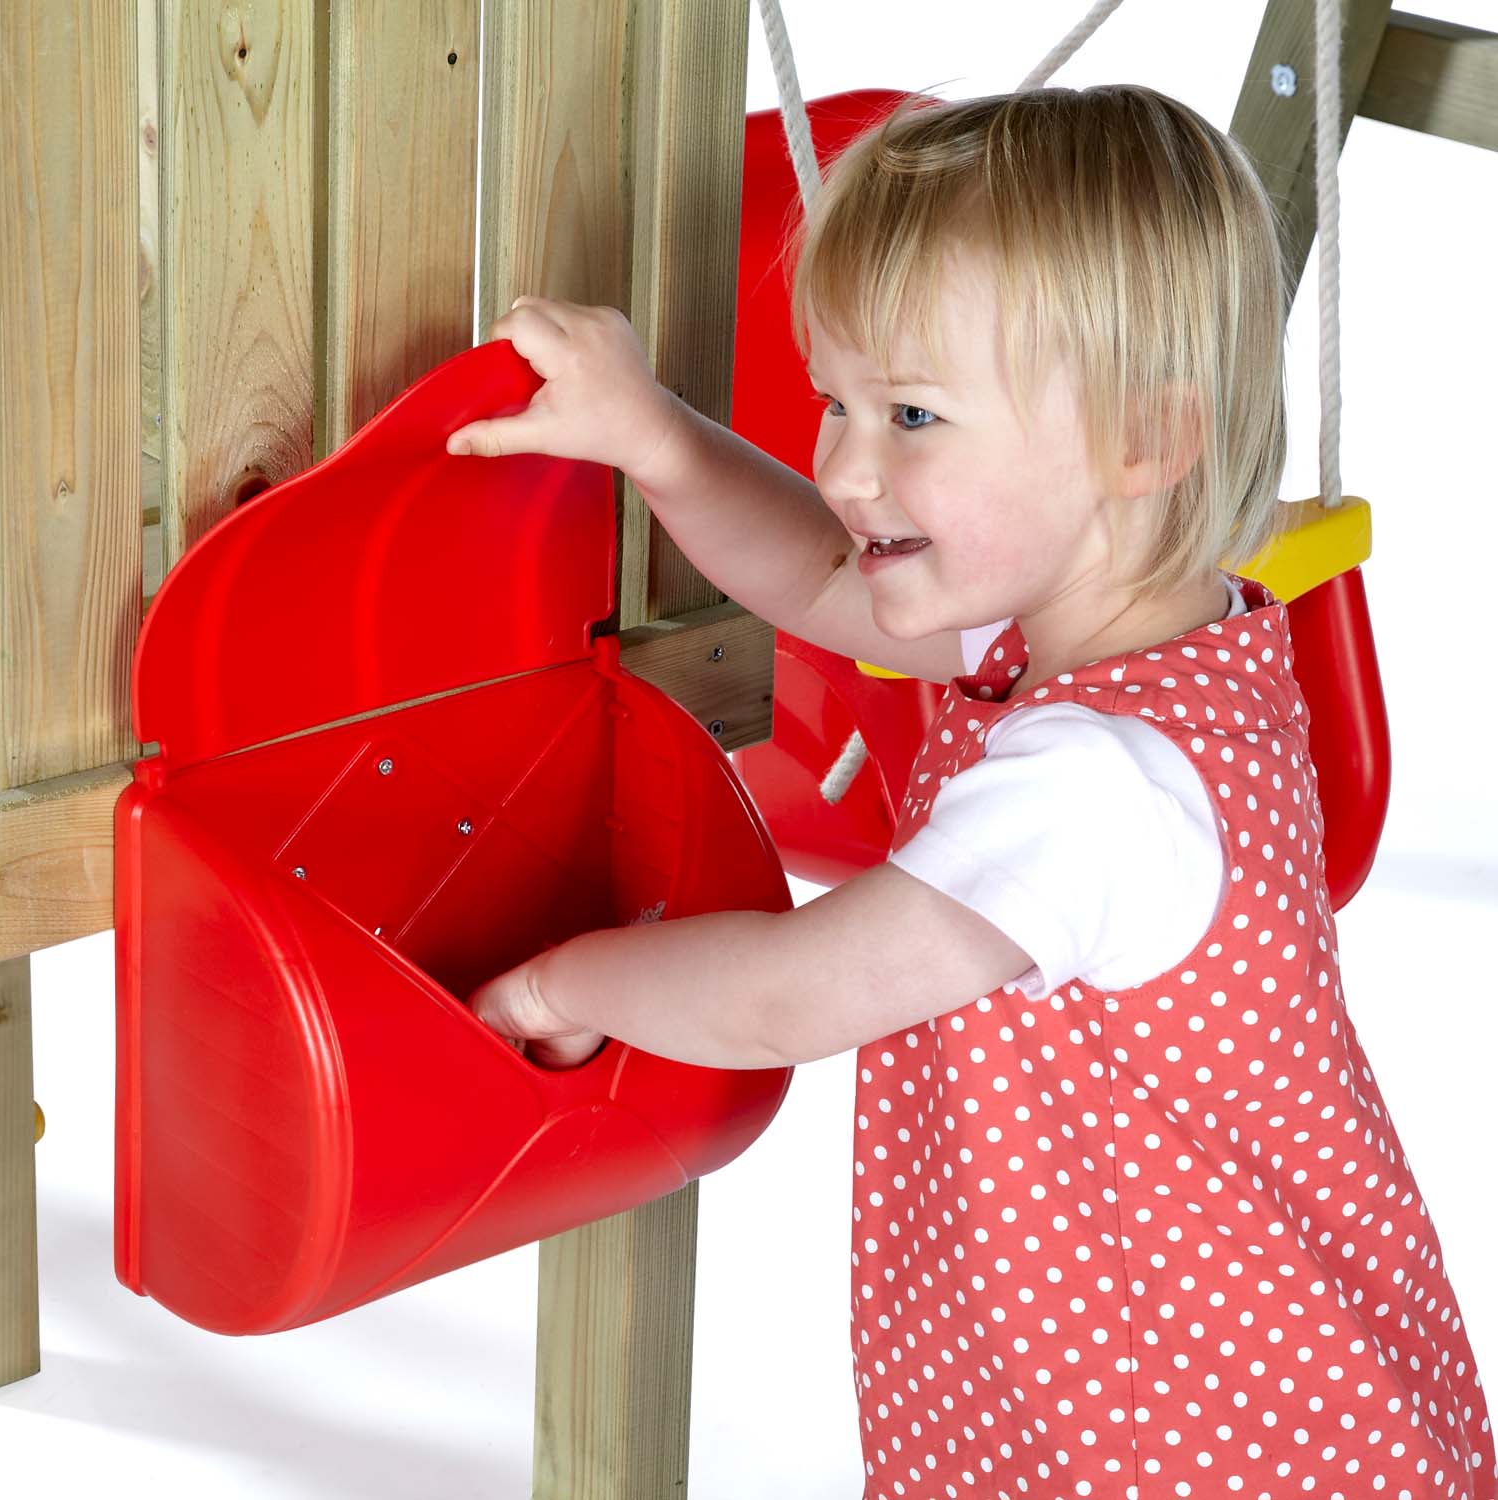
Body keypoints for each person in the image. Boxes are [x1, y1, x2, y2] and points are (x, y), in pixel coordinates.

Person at [448, 84, 1494, 1500]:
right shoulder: (1129, 630)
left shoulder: (1093, 790)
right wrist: (659, 437)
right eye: (836, 400)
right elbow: (822, 575)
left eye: (914, 414)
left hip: (1186, 1442)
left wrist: (564, 989)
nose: (843, 463)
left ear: (1144, 440)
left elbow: (785, 999)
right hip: (1126, 1389)